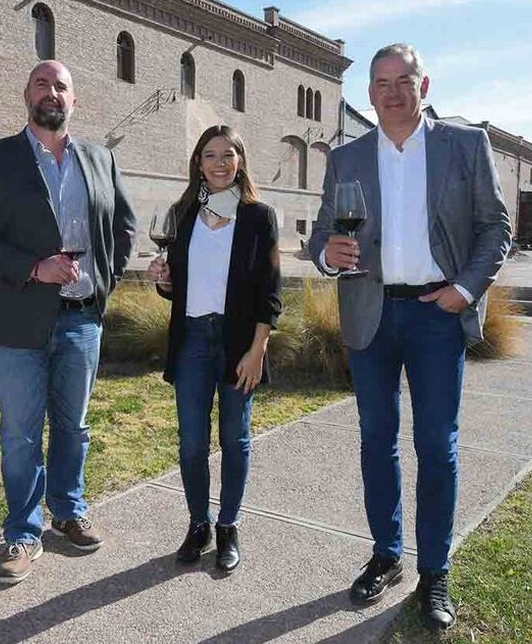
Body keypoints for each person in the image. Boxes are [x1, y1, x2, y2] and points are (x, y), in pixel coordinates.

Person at [308, 44, 511, 630]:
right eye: (381, 83)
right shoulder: (346, 158)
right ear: (368, 93)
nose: (392, 92)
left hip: (435, 314)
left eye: (403, 80)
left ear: (424, 86)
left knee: (436, 446)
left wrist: (464, 290)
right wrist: (327, 251)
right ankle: (387, 554)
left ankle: (435, 570)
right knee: (377, 440)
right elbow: (323, 231)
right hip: (370, 313)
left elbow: (495, 226)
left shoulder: (464, 145)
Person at [0, 60, 136, 584]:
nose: (51, 92)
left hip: (82, 319)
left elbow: (124, 227)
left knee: (74, 427)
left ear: (74, 101)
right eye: (41, 83)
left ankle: (69, 510)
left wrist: (104, 284)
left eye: (61, 86)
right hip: (17, 319)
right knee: (20, 435)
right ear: (26, 95)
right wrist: (34, 268)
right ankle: (23, 532)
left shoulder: (101, 160)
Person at [147, 125, 282, 573]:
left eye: (228, 154)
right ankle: (197, 524)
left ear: (241, 161)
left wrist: (258, 347)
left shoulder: (259, 216)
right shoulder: (182, 214)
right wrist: (165, 281)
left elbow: (270, 290)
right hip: (191, 341)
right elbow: (179, 286)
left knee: (234, 438)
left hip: (238, 342)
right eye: (210, 155)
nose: (219, 163)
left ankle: (228, 526)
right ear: (198, 164)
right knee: (191, 443)